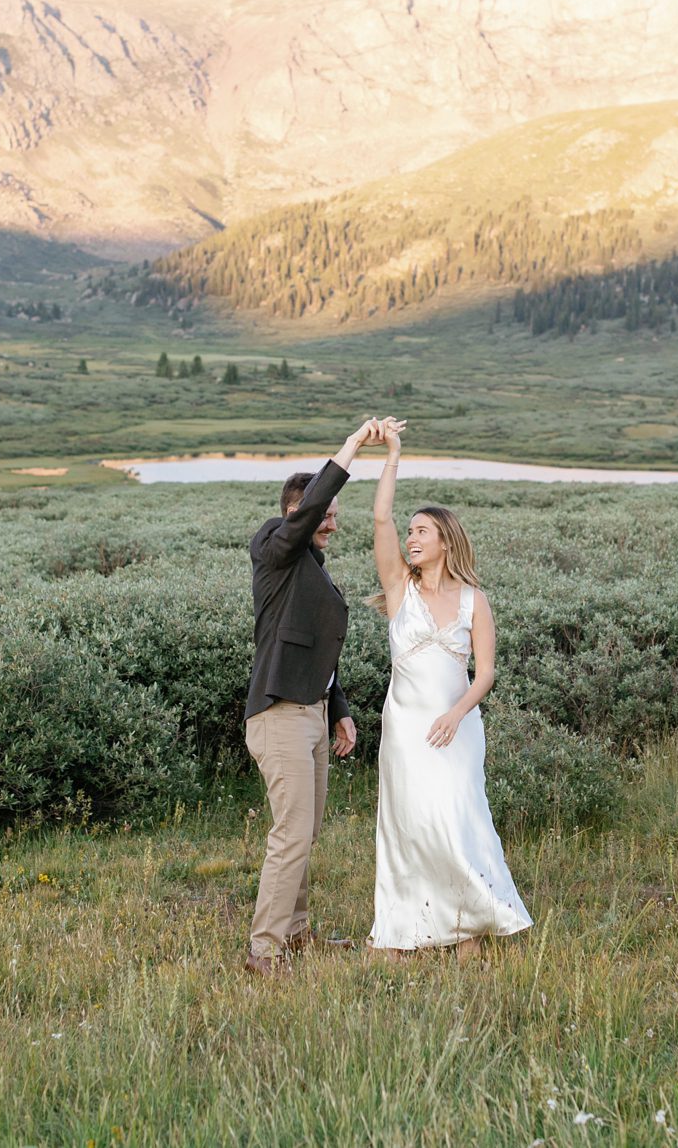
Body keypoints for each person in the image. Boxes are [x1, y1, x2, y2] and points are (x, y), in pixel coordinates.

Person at [367, 418, 533, 958]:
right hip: (406, 728)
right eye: (411, 532)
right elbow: (380, 516)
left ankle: (468, 926)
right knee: (409, 826)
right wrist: (392, 453)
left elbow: (484, 673)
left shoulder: (473, 601)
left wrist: (457, 714)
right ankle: (401, 933)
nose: (412, 538)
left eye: (422, 532)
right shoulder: (399, 591)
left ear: (445, 542)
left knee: (460, 820)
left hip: (457, 727)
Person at [244, 419, 384, 975]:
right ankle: (264, 951)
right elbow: (307, 511)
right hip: (279, 714)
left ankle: (297, 935)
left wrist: (341, 712)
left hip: (313, 713)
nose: (330, 520)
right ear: (294, 516)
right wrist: (351, 449)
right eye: (319, 513)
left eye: (333, 515)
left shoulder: (311, 571)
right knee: (291, 833)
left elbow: (317, 652)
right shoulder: (273, 549)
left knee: (306, 832)